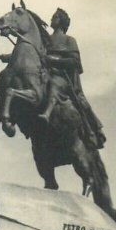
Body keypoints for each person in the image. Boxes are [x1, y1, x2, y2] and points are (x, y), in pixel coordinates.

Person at [39, 8, 106, 149]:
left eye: (55, 17)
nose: (52, 19)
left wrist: (51, 59)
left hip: (63, 78)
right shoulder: (45, 40)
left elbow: (75, 62)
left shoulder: (70, 40)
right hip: (44, 75)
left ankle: (95, 129)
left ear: (61, 21)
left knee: (81, 102)